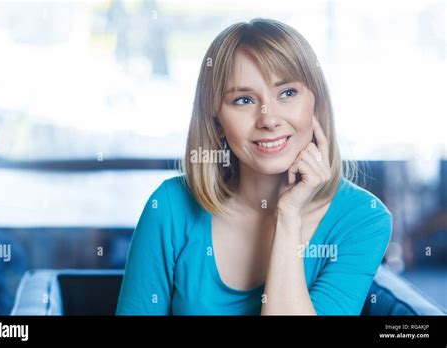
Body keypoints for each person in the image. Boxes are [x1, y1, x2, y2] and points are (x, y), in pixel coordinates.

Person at [116, 18, 392, 315]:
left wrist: (288, 218)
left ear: (316, 102)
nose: (269, 119)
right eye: (244, 100)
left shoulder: (364, 219)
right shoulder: (170, 207)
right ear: (216, 121)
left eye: (287, 93)